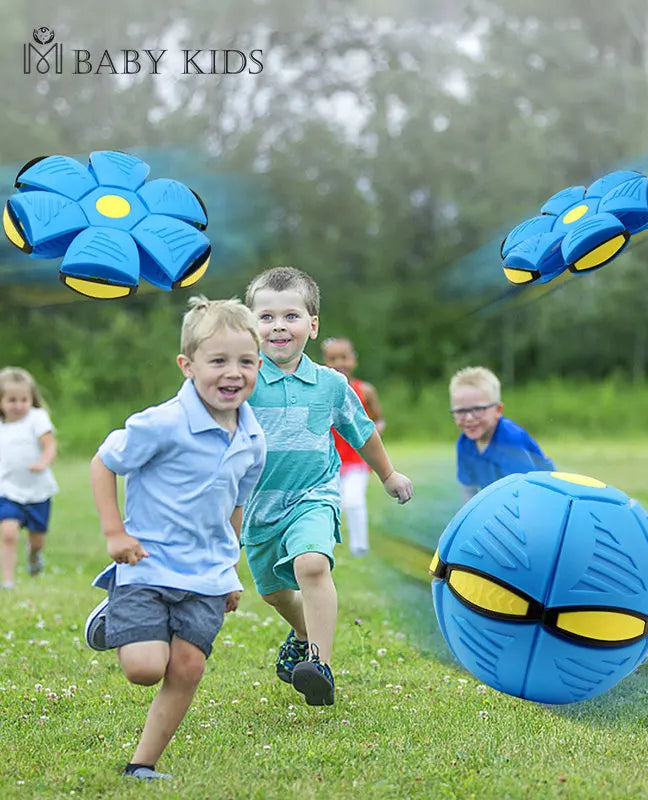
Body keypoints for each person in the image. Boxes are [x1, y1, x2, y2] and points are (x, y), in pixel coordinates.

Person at [82, 296, 266, 781]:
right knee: (145, 668)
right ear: (188, 365)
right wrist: (114, 532)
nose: (233, 373)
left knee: (187, 668)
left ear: (259, 366)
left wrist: (230, 572)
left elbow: (235, 508)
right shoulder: (162, 423)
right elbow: (103, 462)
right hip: (148, 564)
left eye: (246, 362)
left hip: (207, 575)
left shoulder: (253, 439)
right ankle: (117, 613)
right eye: (218, 361)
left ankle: (141, 764)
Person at [242, 266, 413, 707]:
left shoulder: (331, 385)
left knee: (313, 564)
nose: (278, 326)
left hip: (312, 495)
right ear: (249, 324)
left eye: (291, 316)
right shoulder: (242, 381)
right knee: (273, 592)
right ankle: (302, 633)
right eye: (266, 317)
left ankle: (319, 666)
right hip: (259, 507)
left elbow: (363, 432)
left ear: (312, 325)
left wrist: (388, 474)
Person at [449, 366, 555, 502]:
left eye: (478, 409)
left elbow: (527, 492)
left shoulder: (510, 439)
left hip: (546, 497)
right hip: (509, 500)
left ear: (498, 410)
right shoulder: (464, 444)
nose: (469, 418)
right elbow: (468, 489)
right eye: (460, 411)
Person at [321, 336, 385, 557]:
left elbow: (379, 419)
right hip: (330, 460)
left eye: (344, 357)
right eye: (332, 359)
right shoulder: (323, 390)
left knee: (354, 501)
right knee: (330, 504)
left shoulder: (365, 390)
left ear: (354, 359)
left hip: (358, 459)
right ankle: (325, 546)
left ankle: (360, 547)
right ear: (324, 362)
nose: (339, 363)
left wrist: (373, 436)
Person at [0, 367, 58, 588]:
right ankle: (8, 581)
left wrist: (44, 462)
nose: (18, 405)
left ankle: (34, 555)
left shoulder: (37, 418)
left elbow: (49, 444)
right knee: (8, 533)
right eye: (11, 400)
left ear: (31, 398)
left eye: (24, 399)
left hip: (37, 491)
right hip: (8, 489)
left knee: (37, 539)